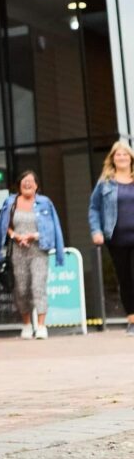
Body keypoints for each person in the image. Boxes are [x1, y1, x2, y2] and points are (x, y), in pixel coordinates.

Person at [0, 171, 65, 339]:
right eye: (24, 181)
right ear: (19, 184)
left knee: (38, 286)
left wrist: (34, 236)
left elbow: (52, 227)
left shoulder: (45, 202)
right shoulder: (10, 202)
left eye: (31, 181)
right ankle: (26, 324)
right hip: (17, 251)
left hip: (39, 250)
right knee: (21, 289)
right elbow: (4, 225)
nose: (27, 183)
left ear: (37, 185)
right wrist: (15, 236)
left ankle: (41, 326)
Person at [89, 141, 134, 336]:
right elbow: (94, 208)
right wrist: (96, 231)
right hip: (116, 239)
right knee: (125, 279)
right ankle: (132, 320)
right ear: (113, 159)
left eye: (125, 154)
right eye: (118, 154)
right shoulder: (105, 182)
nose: (122, 157)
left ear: (131, 158)